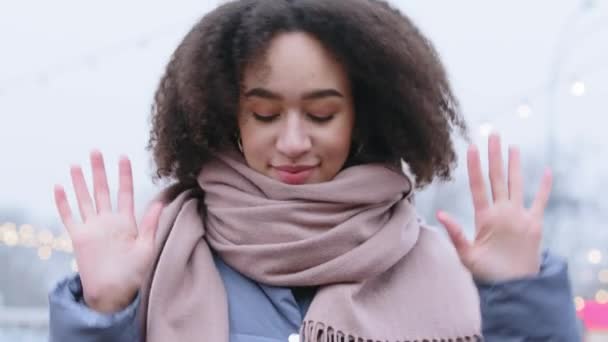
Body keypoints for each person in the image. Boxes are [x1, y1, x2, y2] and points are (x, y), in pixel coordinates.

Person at [48, 0, 580, 341]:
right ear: (228, 115)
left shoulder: (436, 266)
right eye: (265, 113)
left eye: (322, 114)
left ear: (363, 116)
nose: (293, 141)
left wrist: (520, 295)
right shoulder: (165, 260)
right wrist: (104, 311)